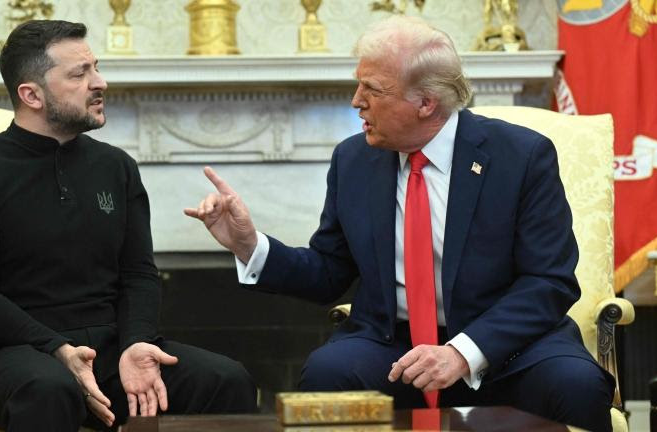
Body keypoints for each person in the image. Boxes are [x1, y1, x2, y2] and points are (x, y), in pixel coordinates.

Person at [185, 16, 615, 432]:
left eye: (372, 89)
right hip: (394, 344)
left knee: (576, 385)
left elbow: (549, 281)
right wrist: (249, 245)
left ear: (426, 102)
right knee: (328, 372)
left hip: (508, 345)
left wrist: (462, 353)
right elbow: (330, 271)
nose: (356, 100)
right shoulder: (354, 159)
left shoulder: (521, 156)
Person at [0, 20, 256, 432]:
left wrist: (136, 342)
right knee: (49, 390)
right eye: (79, 74)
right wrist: (57, 349)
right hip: (14, 353)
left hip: (111, 349)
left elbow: (138, 273)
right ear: (31, 94)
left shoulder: (117, 167)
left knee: (227, 381)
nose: (99, 82)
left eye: (95, 68)